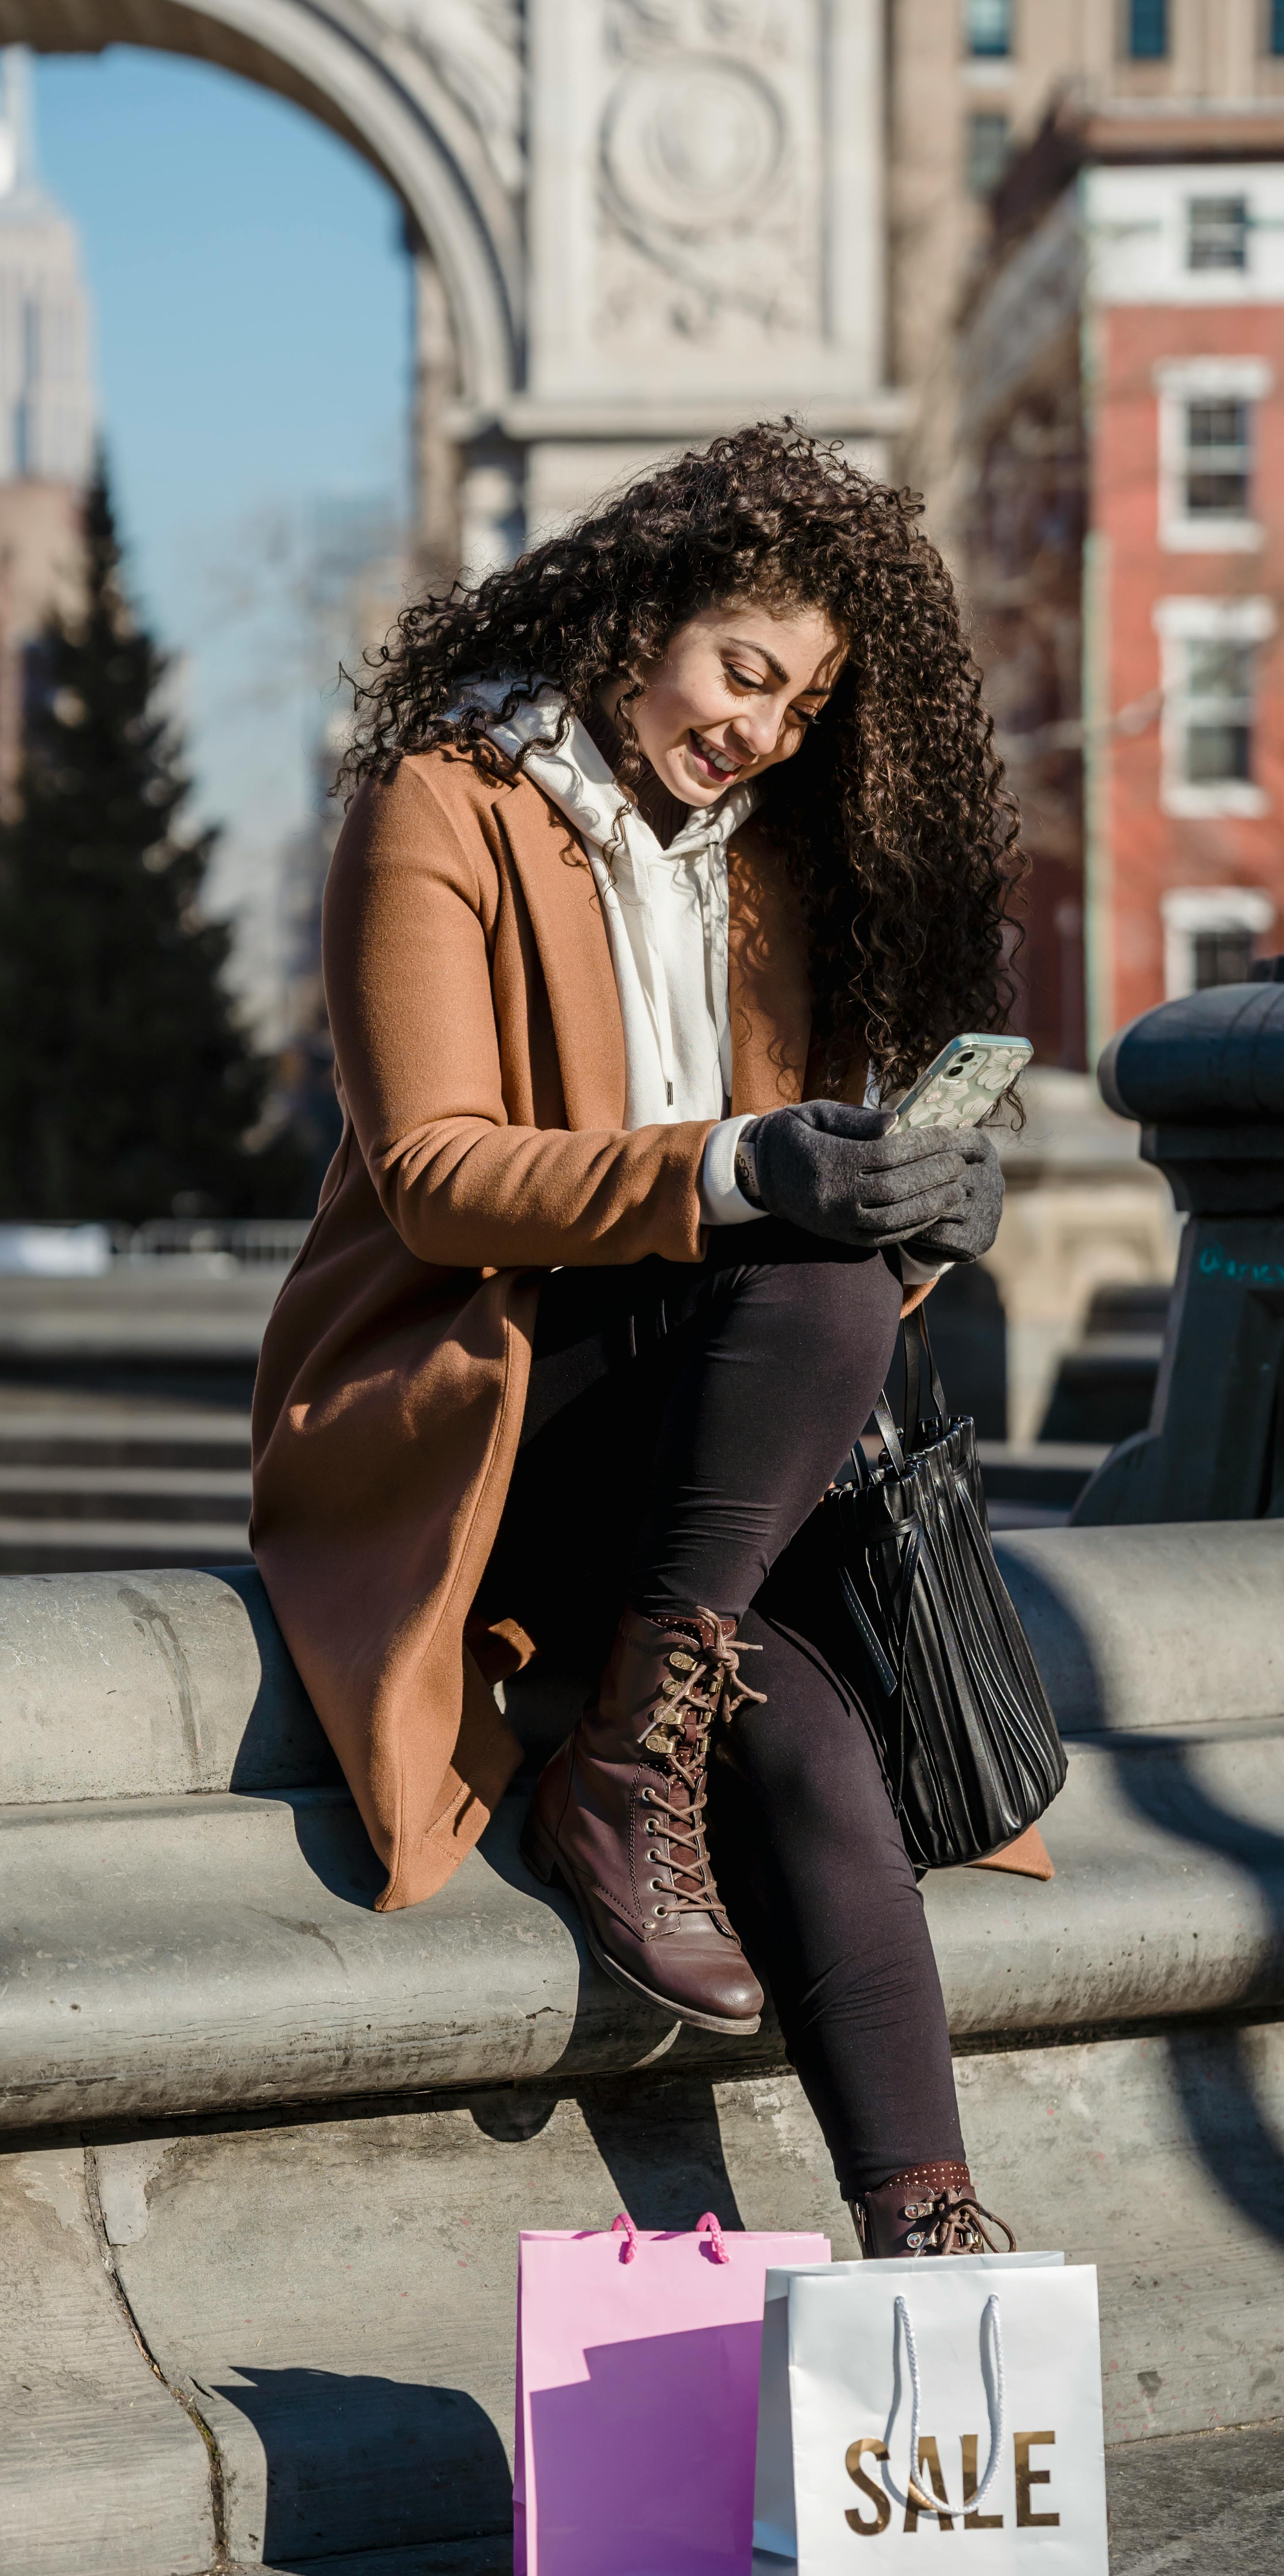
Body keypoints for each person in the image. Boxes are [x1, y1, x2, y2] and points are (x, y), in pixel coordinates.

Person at [252, 426, 1018, 2260]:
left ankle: (930, 2237)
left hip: (680, 1444)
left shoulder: (758, 877)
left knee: (805, 1732)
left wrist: (912, 1214)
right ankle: (627, 1752)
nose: (761, 729)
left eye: (800, 705)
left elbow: (778, 1224)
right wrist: (764, 1170)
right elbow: (437, 1178)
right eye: (744, 671)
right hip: (476, 1400)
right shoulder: (446, 803)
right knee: (808, 1298)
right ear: (633, 616)